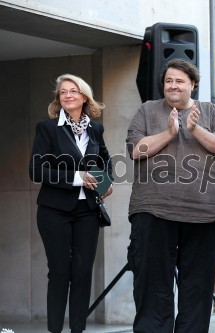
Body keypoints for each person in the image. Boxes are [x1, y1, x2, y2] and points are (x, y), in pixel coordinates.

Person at [126, 58, 215, 333]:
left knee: (197, 288)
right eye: (168, 81)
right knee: (151, 285)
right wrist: (170, 132)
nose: (173, 86)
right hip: (153, 210)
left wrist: (195, 129)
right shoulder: (147, 110)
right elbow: (137, 150)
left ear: (193, 85)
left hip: (206, 212)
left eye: (180, 81)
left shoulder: (210, 111)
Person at [29, 74, 113, 333]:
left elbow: (105, 160)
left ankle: (78, 330)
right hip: (54, 211)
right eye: (63, 92)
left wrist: (105, 182)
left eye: (73, 91)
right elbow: (36, 170)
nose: (67, 95)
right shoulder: (47, 128)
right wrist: (78, 178)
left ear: (84, 97)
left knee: (82, 273)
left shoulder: (95, 129)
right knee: (59, 272)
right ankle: (55, 330)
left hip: (87, 211)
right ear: (59, 99)